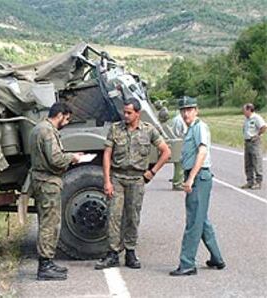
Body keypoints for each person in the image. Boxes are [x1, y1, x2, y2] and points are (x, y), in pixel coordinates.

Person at [95, 98, 171, 270]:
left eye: (129, 112)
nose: (126, 115)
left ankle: (130, 252)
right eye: (125, 112)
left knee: (132, 217)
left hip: (137, 180)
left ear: (138, 113)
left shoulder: (148, 130)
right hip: (118, 178)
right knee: (114, 216)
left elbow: (166, 152)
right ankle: (113, 253)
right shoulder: (115, 129)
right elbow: (107, 155)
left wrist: (152, 172)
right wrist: (107, 180)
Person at [170, 96, 225, 277]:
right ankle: (217, 258)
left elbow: (202, 151)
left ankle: (187, 263)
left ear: (196, 110)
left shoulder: (200, 127)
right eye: (183, 110)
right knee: (202, 219)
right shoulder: (190, 129)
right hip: (197, 175)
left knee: (193, 221)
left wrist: (190, 178)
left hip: (199, 176)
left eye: (190, 109)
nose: (186, 113)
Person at [29, 102, 82, 281]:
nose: (66, 123)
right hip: (47, 182)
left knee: (48, 221)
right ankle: (45, 266)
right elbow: (56, 160)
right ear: (60, 115)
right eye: (66, 119)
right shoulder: (48, 131)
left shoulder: (38, 128)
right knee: (49, 223)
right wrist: (73, 158)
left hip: (42, 180)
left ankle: (48, 263)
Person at [241, 103, 266, 190]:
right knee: (248, 163)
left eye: (244, 110)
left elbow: (263, 127)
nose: (243, 112)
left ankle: (258, 182)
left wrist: (257, 135)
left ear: (249, 110)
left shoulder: (256, 118)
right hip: (247, 142)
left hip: (254, 142)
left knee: (256, 161)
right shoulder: (246, 119)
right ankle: (250, 181)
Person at [171, 111, 187, 190]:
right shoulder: (179, 120)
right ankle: (178, 183)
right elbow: (178, 133)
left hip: (178, 142)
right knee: (180, 163)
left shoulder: (177, 119)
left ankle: (179, 180)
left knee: (179, 163)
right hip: (180, 142)